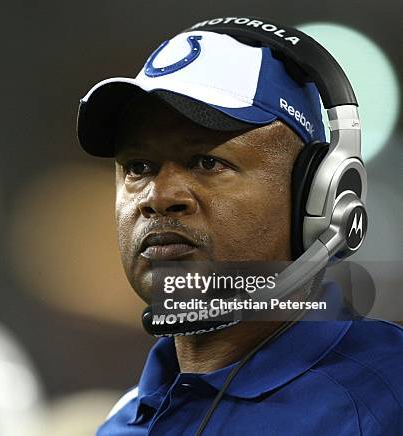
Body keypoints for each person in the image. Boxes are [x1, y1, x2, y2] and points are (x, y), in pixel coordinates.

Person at [76, 20, 403, 435]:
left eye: (207, 162)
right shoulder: (122, 422)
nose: (158, 196)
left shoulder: (389, 401)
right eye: (139, 167)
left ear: (319, 197)